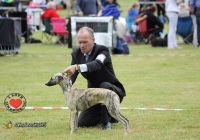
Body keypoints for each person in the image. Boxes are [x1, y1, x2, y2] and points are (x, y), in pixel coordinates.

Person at [62, 27, 126, 130]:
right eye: (80, 42)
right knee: (82, 122)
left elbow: (97, 64)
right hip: (93, 96)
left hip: (112, 92)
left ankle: (106, 123)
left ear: (93, 40)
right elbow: (73, 75)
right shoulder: (76, 54)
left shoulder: (103, 50)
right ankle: (112, 114)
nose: (82, 45)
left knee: (104, 86)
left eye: (85, 42)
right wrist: (65, 81)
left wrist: (77, 67)